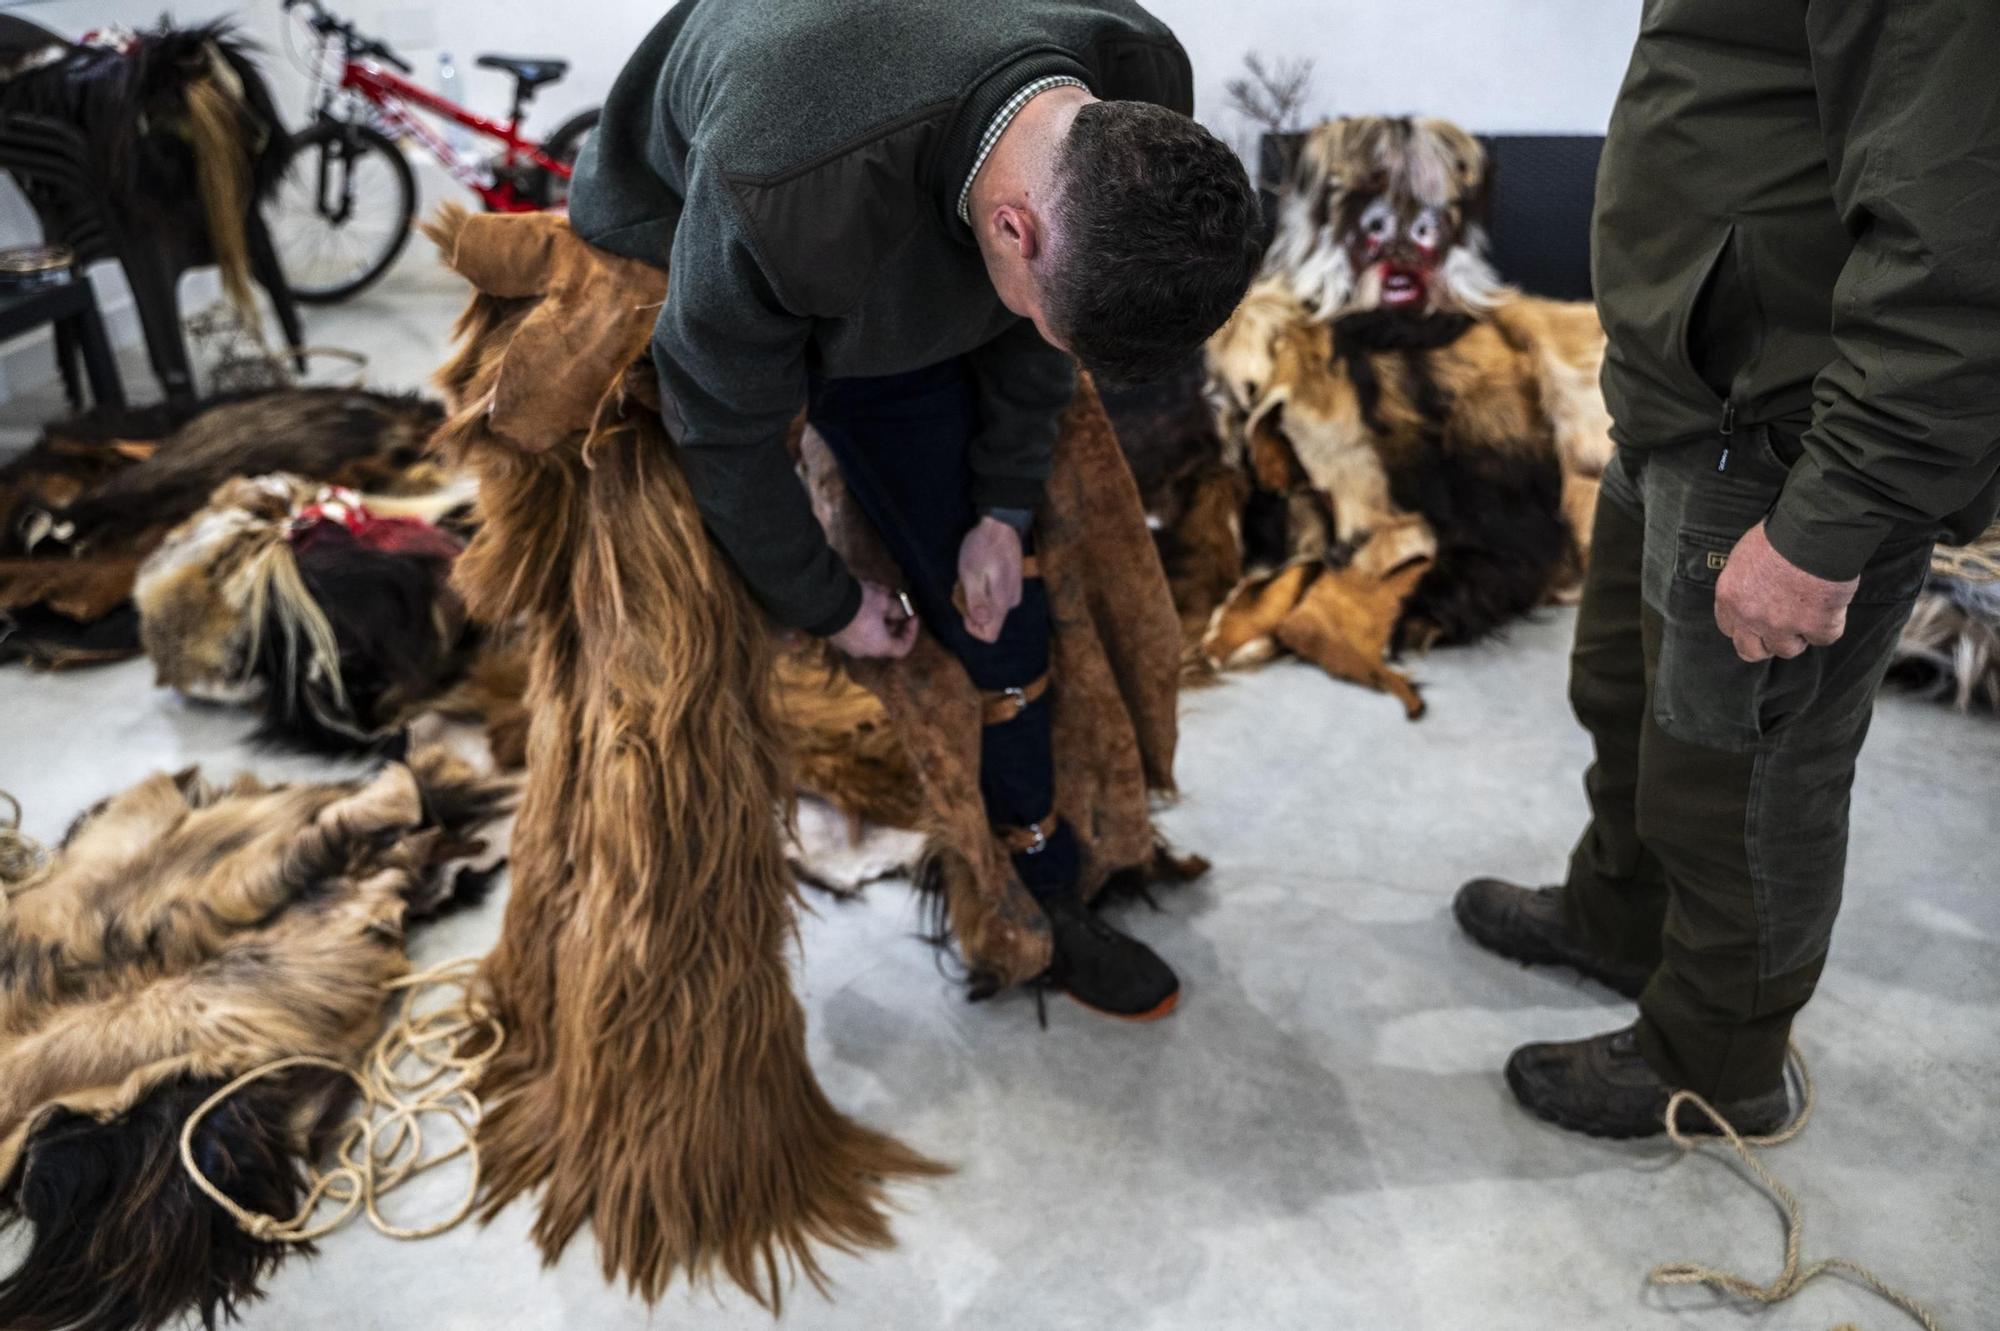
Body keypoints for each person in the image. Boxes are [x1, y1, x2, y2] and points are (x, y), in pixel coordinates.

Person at [567, 0, 1261, 1020]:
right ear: (1013, 229)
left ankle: (1042, 884)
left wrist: (999, 508)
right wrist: (825, 598)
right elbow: (718, 425)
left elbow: (1044, 329)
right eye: (1038, 305)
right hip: (715, 219)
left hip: (906, 190)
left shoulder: (1136, 76)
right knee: (686, 657)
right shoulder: (783, 182)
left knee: (1006, 617)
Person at [1455, 0, 2000, 1137]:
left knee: (1743, 785)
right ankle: (1618, 918)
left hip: (1784, 439)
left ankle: (1715, 1061)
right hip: (1684, 399)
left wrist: (1830, 520)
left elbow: (1957, 245)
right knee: (1619, 696)